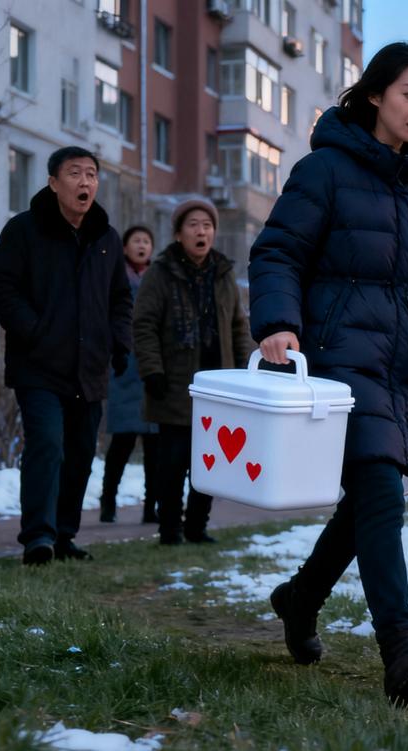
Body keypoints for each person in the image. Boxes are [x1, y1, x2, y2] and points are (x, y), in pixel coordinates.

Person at [249, 43, 408, 707]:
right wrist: (276, 320)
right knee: (381, 492)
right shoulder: (325, 169)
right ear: (378, 93)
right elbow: (277, 253)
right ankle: (400, 648)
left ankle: (301, 599)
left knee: (369, 500)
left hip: (400, 365)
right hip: (335, 361)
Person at [0, 146, 132, 566]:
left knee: (81, 452)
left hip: (89, 368)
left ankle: (64, 535)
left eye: (91, 174)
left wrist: (119, 342)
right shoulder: (25, 229)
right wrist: (35, 330)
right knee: (47, 445)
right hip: (39, 365)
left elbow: (120, 298)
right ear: (53, 182)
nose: (85, 182)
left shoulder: (106, 237)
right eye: (74, 174)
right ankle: (38, 537)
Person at [133, 200, 252, 546]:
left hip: (219, 384)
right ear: (178, 233)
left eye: (207, 225)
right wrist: (152, 370)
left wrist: (244, 373)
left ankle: (197, 526)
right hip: (175, 383)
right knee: (171, 464)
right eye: (193, 225)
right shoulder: (161, 271)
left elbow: (237, 326)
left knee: (210, 464)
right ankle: (170, 529)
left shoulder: (223, 272)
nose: (202, 232)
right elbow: (144, 326)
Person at [101, 226, 160, 524]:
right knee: (121, 444)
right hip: (124, 368)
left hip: (153, 370)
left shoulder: (158, 278)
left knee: (154, 448)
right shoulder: (115, 277)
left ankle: (152, 507)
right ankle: (107, 501)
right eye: (136, 241)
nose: (141, 245)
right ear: (125, 247)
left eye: (146, 241)